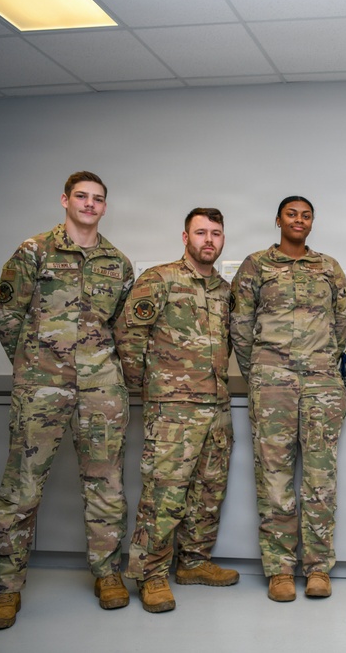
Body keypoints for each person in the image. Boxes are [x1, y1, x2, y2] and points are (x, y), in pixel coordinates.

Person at [0, 171, 134, 630]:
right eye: (82, 197)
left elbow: (123, 330)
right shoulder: (33, 251)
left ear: (105, 207)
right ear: (65, 200)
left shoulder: (118, 263)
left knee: (106, 484)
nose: (90, 205)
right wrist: (32, 368)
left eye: (98, 199)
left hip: (101, 389)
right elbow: (8, 315)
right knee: (22, 486)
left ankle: (107, 574)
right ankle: (6, 589)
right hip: (41, 387)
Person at [114, 208, 239, 613]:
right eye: (200, 232)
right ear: (185, 237)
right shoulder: (160, 279)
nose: (209, 240)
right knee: (164, 495)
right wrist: (150, 388)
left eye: (215, 233)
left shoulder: (224, 289)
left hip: (217, 406)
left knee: (208, 490)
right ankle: (151, 575)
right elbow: (129, 336)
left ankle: (194, 562)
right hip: (173, 411)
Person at [231, 196, 346, 602]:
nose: (299, 220)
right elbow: (240, 326)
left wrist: (321, 364)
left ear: (312, 223)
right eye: (291, 214)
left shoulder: (329, 267)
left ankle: (318, 569)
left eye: (306, 215)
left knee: (320, 478)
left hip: (321, 385)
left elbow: (341, 323)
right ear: (278, 220)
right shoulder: (255, 266)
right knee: (274, 478)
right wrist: (261, 372)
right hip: (271, 384)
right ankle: (279, 570)